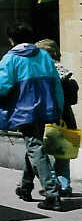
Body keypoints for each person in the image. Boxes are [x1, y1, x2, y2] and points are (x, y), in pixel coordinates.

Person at [0, 23, 64, 211]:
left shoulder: (10, 59)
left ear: (11, 39)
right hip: (47, 108)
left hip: (24, 110)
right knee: (34, 146)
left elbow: (2, 86)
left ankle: (52, 194)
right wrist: (59, 107)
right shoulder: (44, 55)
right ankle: (25, 187)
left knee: (35, 147)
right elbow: (56, 84)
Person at [36, 38, 77, 197]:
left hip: (49, 117)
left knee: (40, 157)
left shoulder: (45, 71)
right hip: (67, 117)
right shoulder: (65, 71)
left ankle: (52, 183)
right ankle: (64, 186)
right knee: (62, 157)